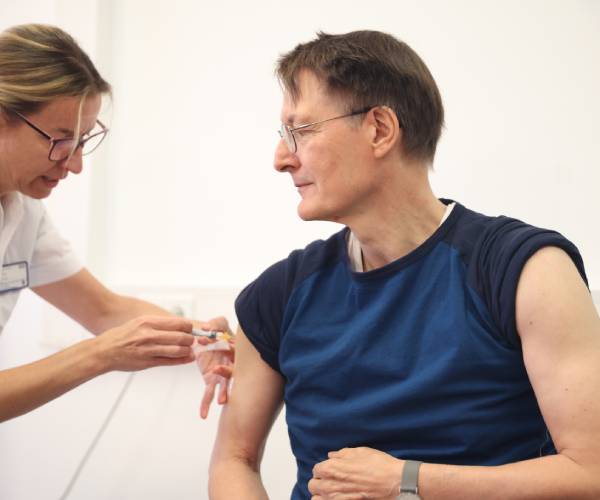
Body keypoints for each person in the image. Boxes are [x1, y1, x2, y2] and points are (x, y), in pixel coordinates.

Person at [209, 30, 600, 499]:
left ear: (379, 129)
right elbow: (234, 459)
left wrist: (408, 481)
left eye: (301, 130)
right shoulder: (278, 295)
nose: (280, 158)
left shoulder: (525, 271)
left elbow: (590, 471)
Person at [0, 23, 232, 424]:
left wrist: (204, 337)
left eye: (82, 142)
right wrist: (101, 354)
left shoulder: (23, 213)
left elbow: (105, 310)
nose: (74, 165)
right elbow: (107, 333)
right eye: (60, 141)